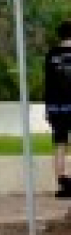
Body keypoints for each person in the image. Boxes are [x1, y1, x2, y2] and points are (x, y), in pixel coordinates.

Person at [46, 19, 71, 199]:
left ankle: (61, 182)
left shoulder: (51, 54)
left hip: (56, 106)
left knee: (59, 143)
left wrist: (48, 107)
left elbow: (48, 82)